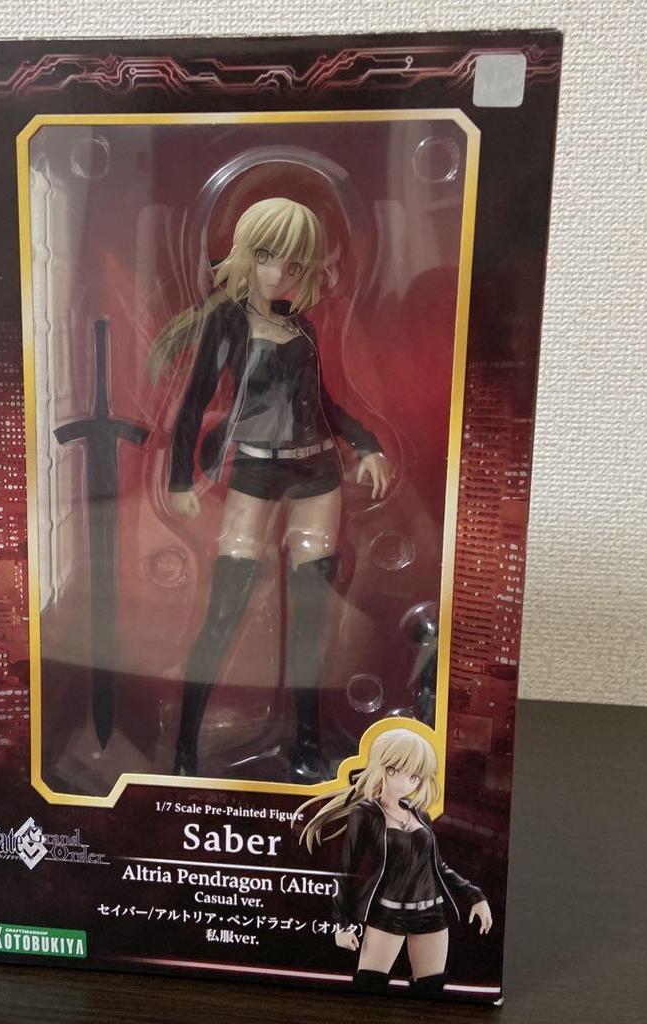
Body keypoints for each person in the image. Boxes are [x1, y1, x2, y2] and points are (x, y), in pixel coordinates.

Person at [147, 196, 392, 781]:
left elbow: (323, 403)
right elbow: (193, 403)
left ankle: (307, 745)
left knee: (310, 618)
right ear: (244, 255)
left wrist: (367, 444)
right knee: (224, 609)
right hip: (255, 470)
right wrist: (180, 478)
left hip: (316, 473)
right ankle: (185, 748)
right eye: (265, 256)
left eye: (295, 264)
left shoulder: (301, 326)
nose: (280, 273)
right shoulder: (226, 322)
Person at [296, 728, 493, 997]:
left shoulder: (419, 813)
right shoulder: (365, 813)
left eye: (416, 776)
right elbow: (346, 872)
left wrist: (475, 895)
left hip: (431, 914)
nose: (408, 782)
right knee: (369, 987)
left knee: (431, 990)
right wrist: (342, 923)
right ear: (384, 768)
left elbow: (438, 866)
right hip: (388, 914)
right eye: (399, 771)